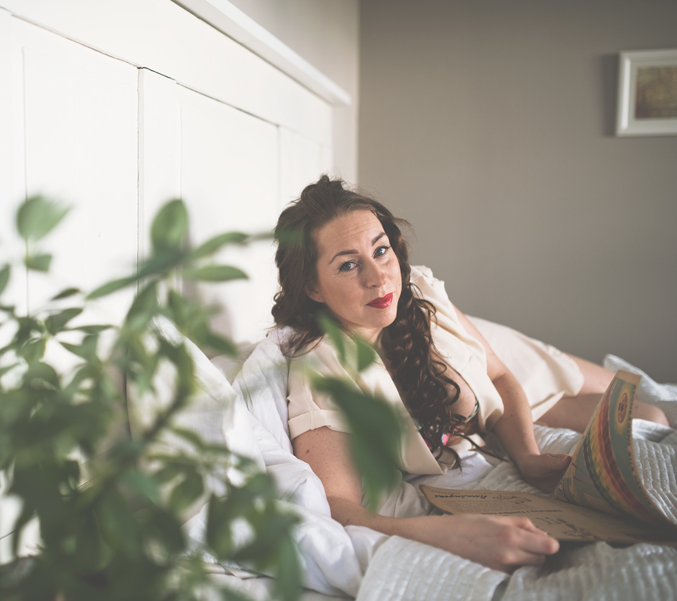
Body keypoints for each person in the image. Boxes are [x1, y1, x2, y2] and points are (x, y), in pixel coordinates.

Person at [271, 176, 669, 572]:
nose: (379, 277)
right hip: (473, 458)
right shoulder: (322, 369)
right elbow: (340, 508)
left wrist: (528, 458)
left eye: (381, 250)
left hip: (504, 398)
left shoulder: (420, 290)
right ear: (313, 287)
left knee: (652, 418)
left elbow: (497, 375)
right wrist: (442, 533)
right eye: (348, 265)